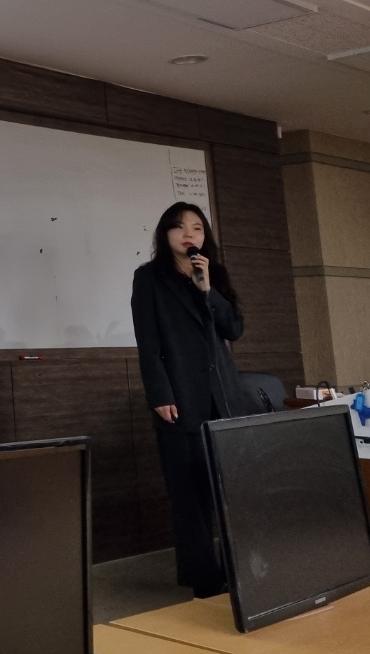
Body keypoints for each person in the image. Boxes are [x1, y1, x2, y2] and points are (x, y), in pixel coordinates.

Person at [130, 201, 254, 599]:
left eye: (197, 228)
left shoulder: (212, 273)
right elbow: (148, 343)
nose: (189, 234)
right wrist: (160, 393)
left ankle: (241, 569)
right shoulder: (149, 278)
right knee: (189, 494)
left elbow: (234, 328)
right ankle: (204, 579)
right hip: (180, 396)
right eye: (179, 227)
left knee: (228, 486)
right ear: (165, 233)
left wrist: (208, 289)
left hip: (223, 396)